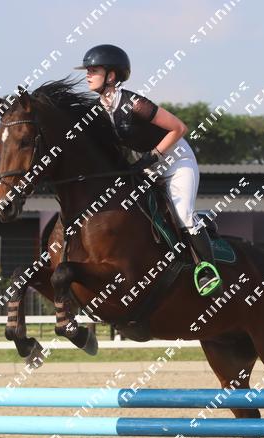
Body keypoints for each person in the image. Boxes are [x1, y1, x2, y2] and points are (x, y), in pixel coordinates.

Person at [74, 44, 222, 297]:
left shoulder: (134, 104)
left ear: (111, 75)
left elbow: (179, 128)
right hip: (147, 168)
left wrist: (151, 157)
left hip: (176, 162)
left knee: (183, 215)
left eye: (93, 70)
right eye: (88, 70)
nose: (88, 75)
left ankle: (208, 270)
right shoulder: (100, 110)